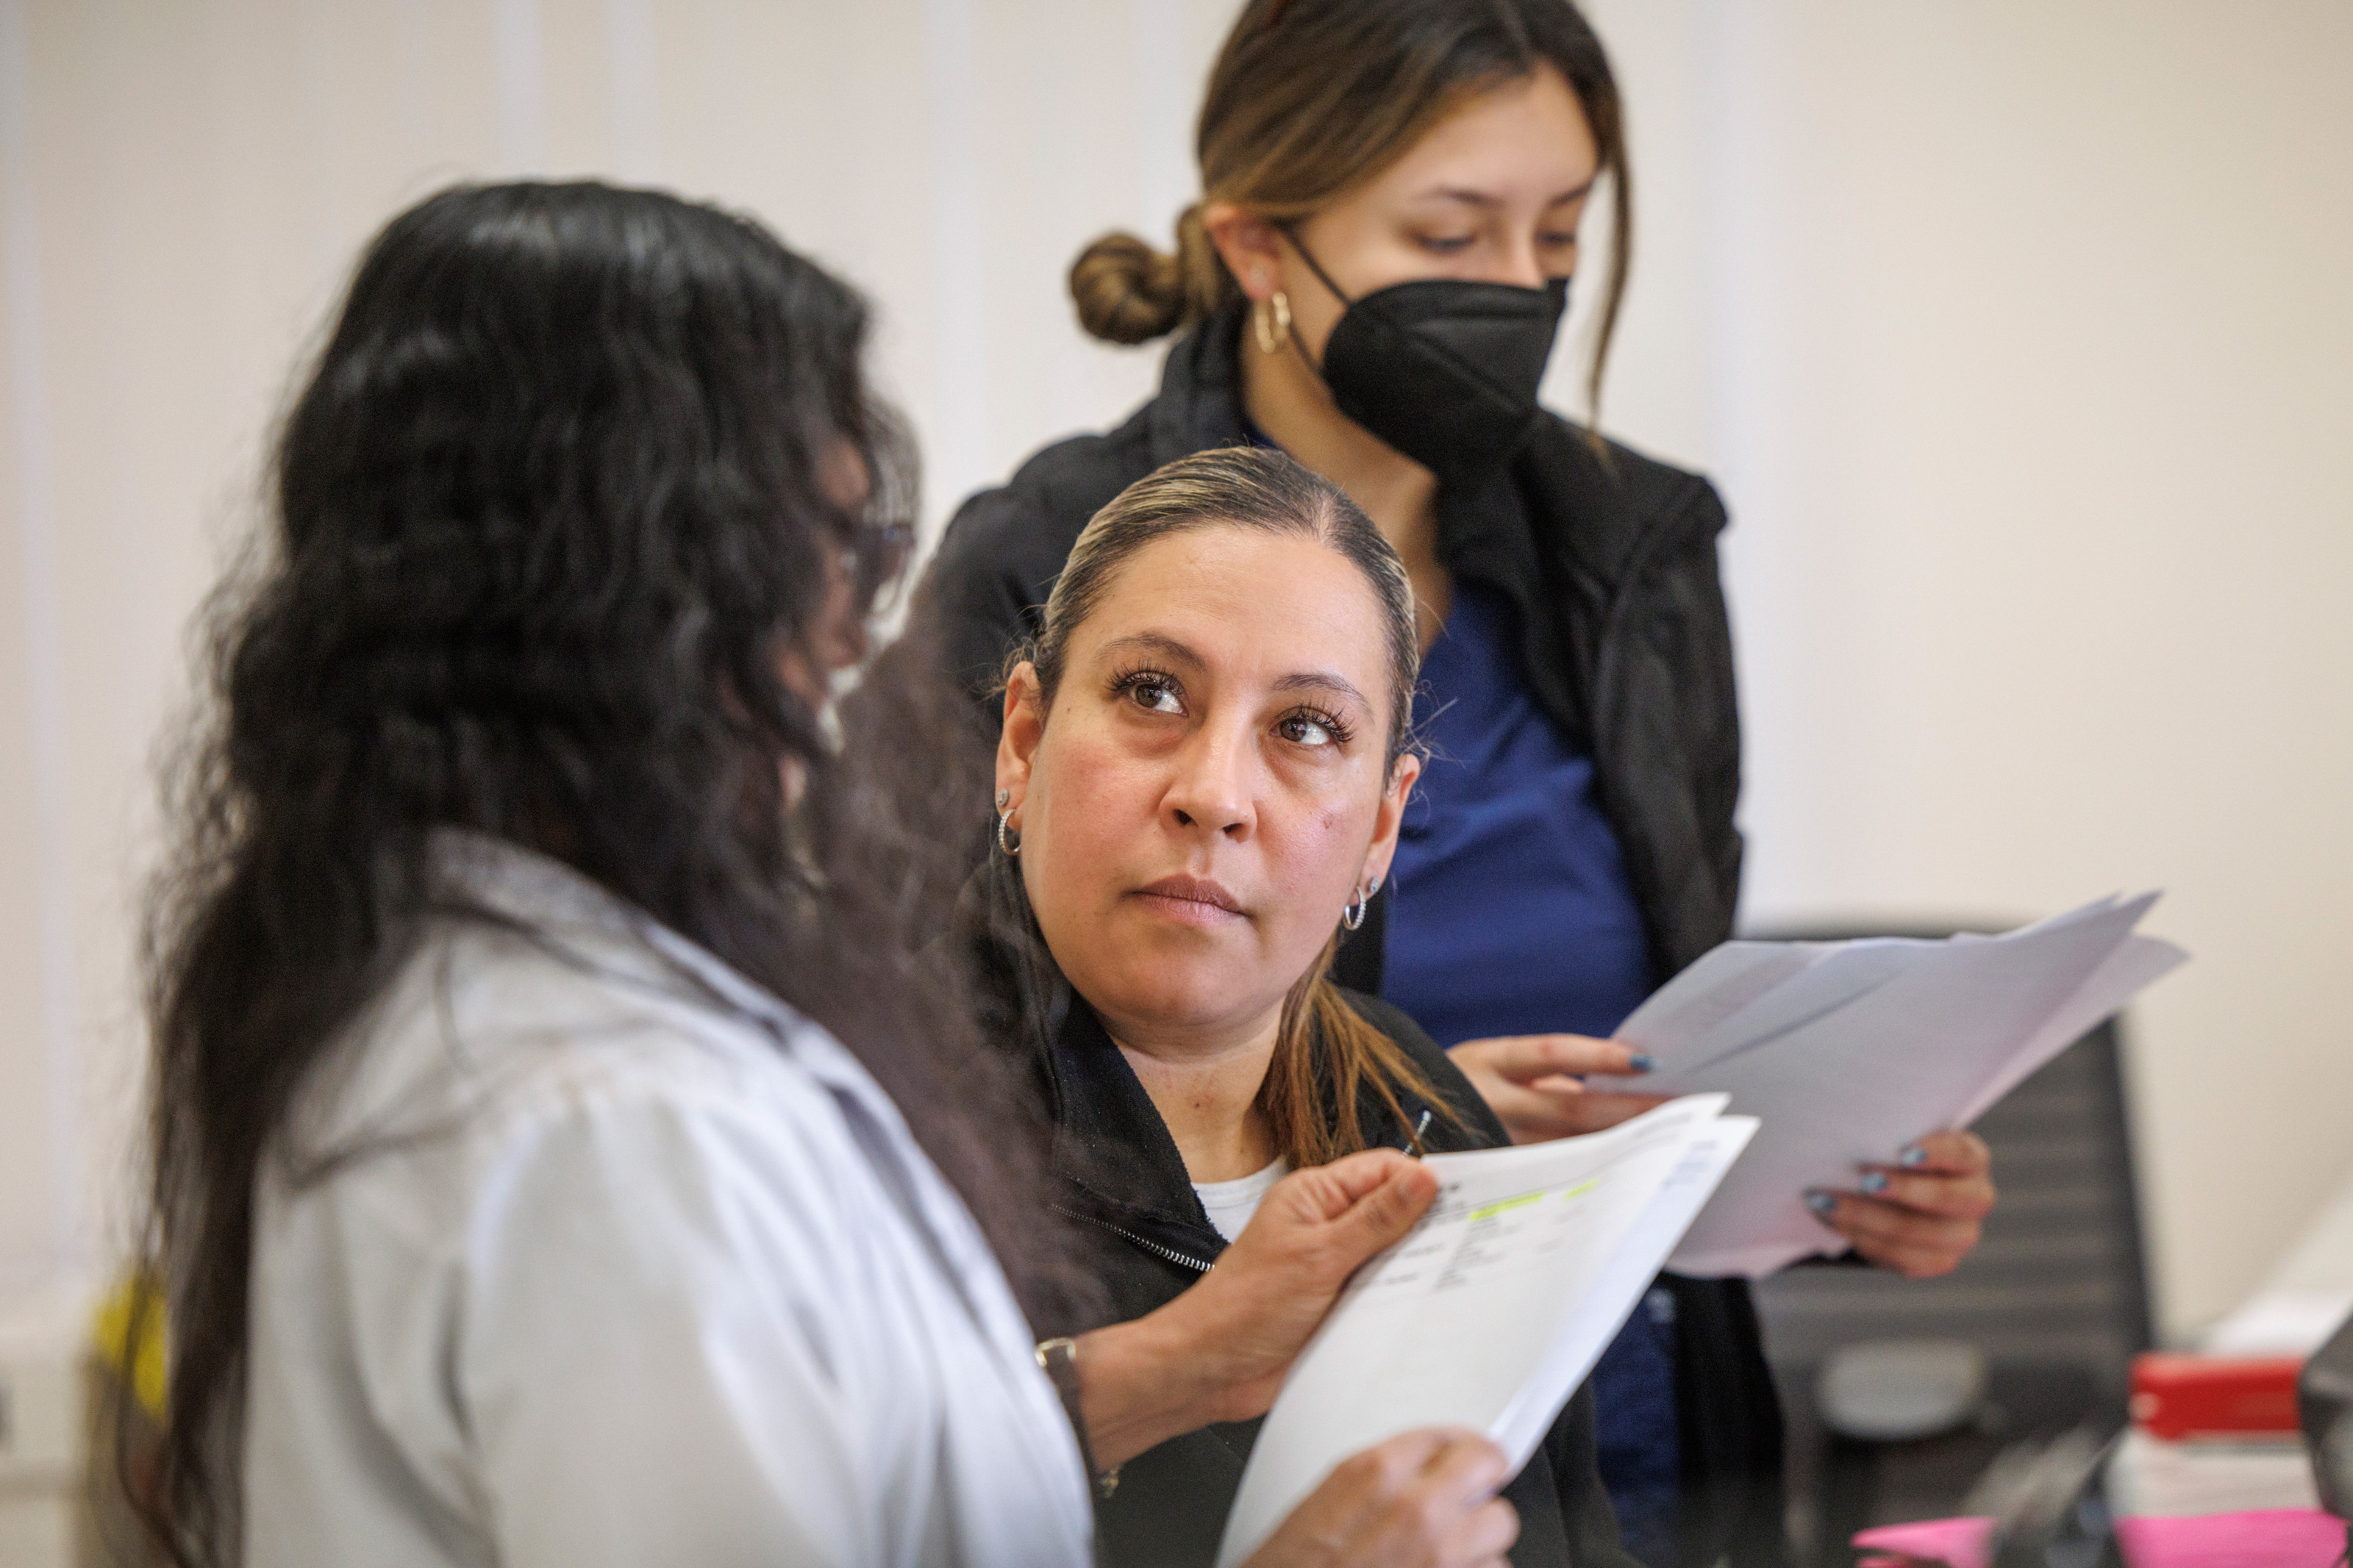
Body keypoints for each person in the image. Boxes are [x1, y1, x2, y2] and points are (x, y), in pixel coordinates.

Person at [132, 179, 1523, 1568]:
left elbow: (861, 1458)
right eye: (832, 556)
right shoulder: (617, 1122)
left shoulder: (440, 996)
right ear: (667, 597)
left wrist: (1177, 1365)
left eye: (1305, 727)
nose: (840, 644)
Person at [920, 3, 1999, 1563]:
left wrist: (1819, 1177)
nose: (1519, 287)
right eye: (1450, 228)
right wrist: (1405, 1114)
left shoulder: (1631, 550)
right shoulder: (1049, 561)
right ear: (1259, 245)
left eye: (1557, 232)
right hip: (1229, 1448)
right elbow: (955, 1048)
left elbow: (1670, 1016)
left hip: (1632, 1420)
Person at [957, 446, 1640, 1568]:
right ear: (1023, 740)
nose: (1215, 794)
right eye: (1151, 693)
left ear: (1382, 823)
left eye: (1308, 728)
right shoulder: (858, 1137)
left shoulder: (1427, 1112)